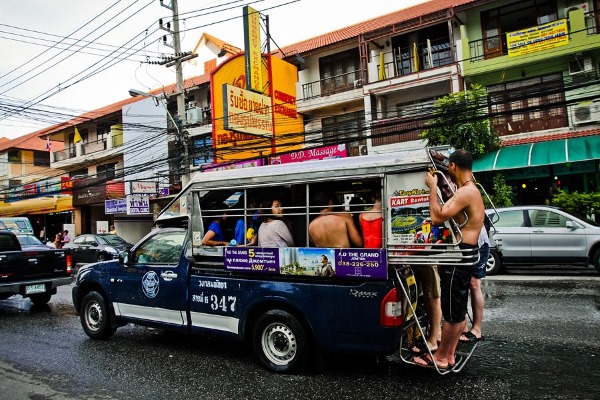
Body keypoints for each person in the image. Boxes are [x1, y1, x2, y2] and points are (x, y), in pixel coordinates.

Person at [414, 149, 485, 370]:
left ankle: (442, 357)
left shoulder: (466, 192)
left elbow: (436, 217)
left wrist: (433, 187)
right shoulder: (470, 190)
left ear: (453, 166)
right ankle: (450, 354)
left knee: (453, 313)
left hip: (460, 255)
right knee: (457, 309)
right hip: (464, 253)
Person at [460, 217, 491, 344]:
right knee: (461, 283)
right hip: (467, 242)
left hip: (478, 244)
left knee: (474, 284)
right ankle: (463, 326)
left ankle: (477, 330)